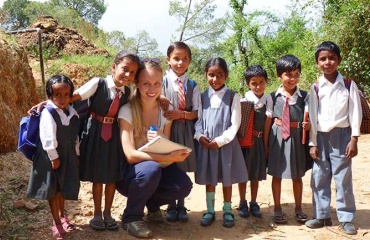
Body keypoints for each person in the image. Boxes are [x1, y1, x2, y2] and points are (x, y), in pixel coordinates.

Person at [116, 59, 193, 238]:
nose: (152, 89)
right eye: (146, 84)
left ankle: (152, 206)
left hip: (155, 169)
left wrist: (164, 141)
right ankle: (131, 218)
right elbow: (130, 155)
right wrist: (170, 157)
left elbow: (165, 143)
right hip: (131, 175)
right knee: (151, 169)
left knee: (183, 186)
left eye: (157, 84)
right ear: (136, 84)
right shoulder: (127, 110)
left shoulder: (164, 111)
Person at [73, 51, 142, 230]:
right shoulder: (98, 83)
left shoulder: (128, 92)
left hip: (114, 136)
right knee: (98, 175)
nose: (128, 75)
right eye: (124, 69)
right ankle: (97, 213)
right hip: (95, 133)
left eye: (133, 72)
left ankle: (108, 213)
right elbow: (72, 97)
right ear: (113, 67)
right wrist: (48, 103)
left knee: (111, 175)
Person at [305, 41, 362, 235]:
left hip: (342, 136)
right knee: (319, 177)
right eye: (323, 59)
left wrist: (354, 139)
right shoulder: (315, 87)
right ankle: (322, 215)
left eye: (332, 58)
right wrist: (312, 143)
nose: (327, 62)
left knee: (342, 178)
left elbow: (355, 112)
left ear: (339, 60)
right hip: (320, 136)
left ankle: (346, 218)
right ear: (317, 62)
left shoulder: (348, 84)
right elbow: (313, 116)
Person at [194, 57, 248, 228]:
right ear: (206, 75)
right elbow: (198, 120)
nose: (215, 79)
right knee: (210, 178)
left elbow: (235, 124)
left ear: (226, 75)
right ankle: (210, 211)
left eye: (219, 75)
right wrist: (199, 135)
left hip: (226, 145)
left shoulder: (233, 96)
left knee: (227, 178)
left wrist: (221, 140)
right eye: (211, 75)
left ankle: (227, 211)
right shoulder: (202, 97)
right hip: (207, 144)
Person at [26, 74, 80, 240]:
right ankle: (56, 222)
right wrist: (53, 157)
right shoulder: (48, 112)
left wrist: (76, 153)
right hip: (52, 156)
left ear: (71, 95)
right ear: (50, 95)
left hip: (68, 155)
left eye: (66, 95)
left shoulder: (72, 112)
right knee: (53, 189)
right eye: (57, 95)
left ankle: (63, 216)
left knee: (62, 188)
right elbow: (47, 137)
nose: (62, 99)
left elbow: (75, 136)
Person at [263, 55, 311, 224]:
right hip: (277, 139)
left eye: (296, 74)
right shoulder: (272, 97)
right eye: (288, 75)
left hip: (297, 139)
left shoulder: (305, 96)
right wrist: (266, 145)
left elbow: (310, 118)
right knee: (277, 175)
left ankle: (298, 208)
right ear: (279, 76)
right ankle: (277, 209)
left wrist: (308, 126)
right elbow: (268, 122)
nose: (293, 78)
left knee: (297, 176)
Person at [161, 41, 200, 222]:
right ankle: (170, 204)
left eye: (185, 59)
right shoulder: (161, 82)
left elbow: (196, 113)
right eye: (176, 58)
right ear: (168, 60)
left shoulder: (192, 85)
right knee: (169, 165)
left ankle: (182, 205)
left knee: (181, 165)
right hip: (165, 129)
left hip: (185, 129)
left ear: (189, 62)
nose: (180, 63)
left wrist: (181, 114)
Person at [237, 65, 268, 218]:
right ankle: (242, 202)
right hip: (245, 146)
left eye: (261, 82)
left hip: (260, 143)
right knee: (243, 174)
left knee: (255, 174)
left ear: (267, 82)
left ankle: (253, 202)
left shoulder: (268, 102)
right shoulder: (244, 102)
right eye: (253, 83)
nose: (258, 86)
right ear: (248, 84)